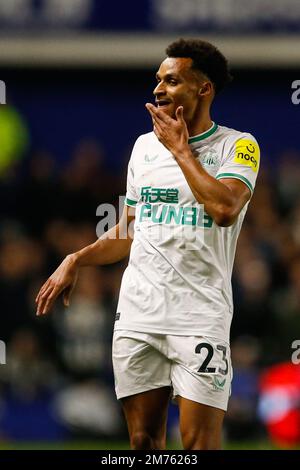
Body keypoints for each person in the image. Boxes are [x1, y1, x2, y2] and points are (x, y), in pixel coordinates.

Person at [36, 38, 260, 450]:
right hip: (139, 314)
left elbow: (225, 208)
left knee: (199, 447)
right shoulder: (143, 148)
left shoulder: (238, 145)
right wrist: (77, 258)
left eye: (172, 80)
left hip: (199, 315)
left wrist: (180, 150)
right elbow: (129, 229)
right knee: (142, 443)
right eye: (158, 80)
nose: (158, 89)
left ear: (203, 88)